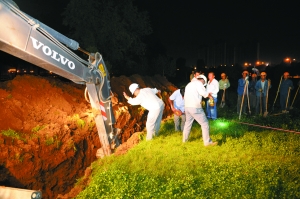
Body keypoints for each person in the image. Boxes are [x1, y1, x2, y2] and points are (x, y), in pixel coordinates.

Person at [182, 74, 217, 146]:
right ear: (203, 80)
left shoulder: (189, 84)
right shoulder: (198, 83)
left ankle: (184, 140)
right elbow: (203, 93)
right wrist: (210, 97)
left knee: (188, 124)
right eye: (204, 83)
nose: (203, 85)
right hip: (195, 107)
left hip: (187, 107)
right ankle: (207, 142)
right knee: (205, 124)